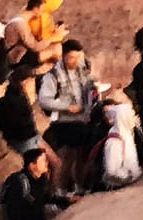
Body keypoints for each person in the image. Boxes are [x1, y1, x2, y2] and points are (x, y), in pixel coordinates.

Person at [0, 54, 63, 188]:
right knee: (45, 171)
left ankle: (53, 195)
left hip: (31, 137)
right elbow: (13, 122)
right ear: (23, 82)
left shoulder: (16, 96)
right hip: (25, 140)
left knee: (56, 164)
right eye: (30, 81)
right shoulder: (13, 102)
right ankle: (49, 198)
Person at [38, 39, 101, 191]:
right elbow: (45, 101)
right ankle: (58, 191)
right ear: (63, 55)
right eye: (72, 57)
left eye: (78, 57)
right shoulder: (52, 76)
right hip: (63, 124)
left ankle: (78, 186)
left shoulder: (80, 70)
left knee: (80, 155)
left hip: (82, 122)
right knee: (65, 158)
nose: (76, 61)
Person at [0, 147, 72, 220]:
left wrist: (66, 200)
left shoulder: (40, 178)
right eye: (43, 160)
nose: (46, 163)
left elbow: (45, 197)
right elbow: (15, 210)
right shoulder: (19, 182)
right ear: (32, 165)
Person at [93, 102, 142, 190]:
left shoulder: (127, 135)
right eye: (131, 116)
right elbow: (111, 171)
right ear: (124, 118)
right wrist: (128, 175)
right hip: (117, 187)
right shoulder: (114, 141)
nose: (135, 119)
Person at [3, 0, 64, 65]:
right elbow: (35, 47)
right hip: (15, 58)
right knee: (52, 51)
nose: (42, 12)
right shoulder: (20, 25)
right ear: (35, 9)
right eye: (41, 10)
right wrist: (53, 37)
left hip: (21, 52)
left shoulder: (20, 18)